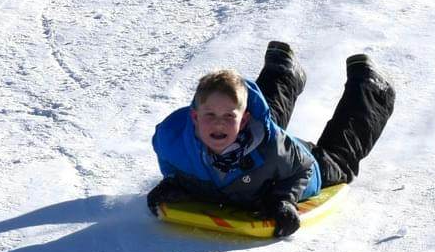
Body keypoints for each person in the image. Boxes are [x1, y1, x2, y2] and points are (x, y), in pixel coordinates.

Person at [146, 42, 396, 238]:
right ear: (195, 117)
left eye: (228, 116)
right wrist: (174, 181)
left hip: (291, 167)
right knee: (263, 125)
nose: (219, 123)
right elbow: (167, 156)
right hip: (256, 150)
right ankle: (282, 69)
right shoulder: (172, 137)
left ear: (244, 120)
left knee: (339, 161)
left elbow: (304, 167)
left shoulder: (273, 148)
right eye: (209, 115)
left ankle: (371, 88)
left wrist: (283, 199)